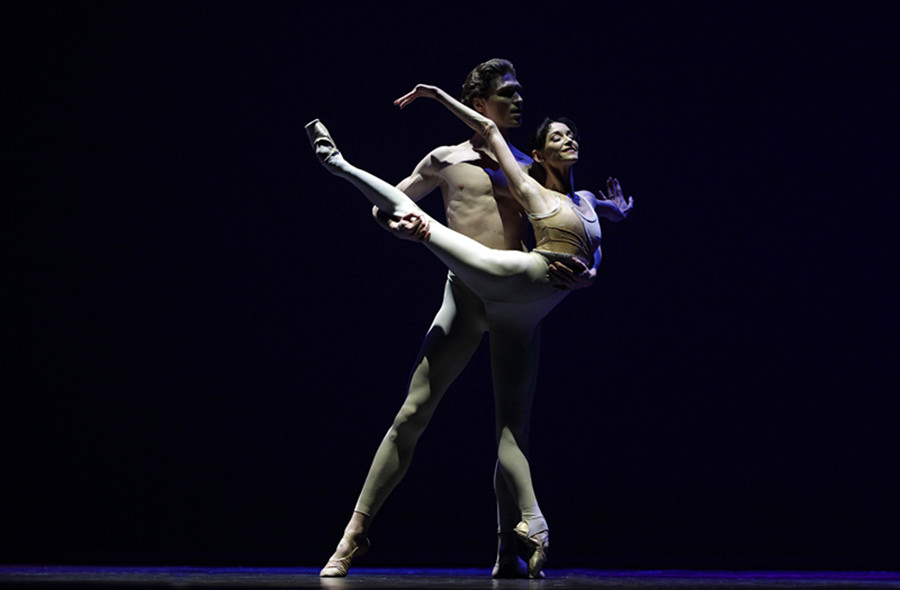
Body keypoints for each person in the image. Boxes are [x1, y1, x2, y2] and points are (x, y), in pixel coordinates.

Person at [311, 61, 632, 579]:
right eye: (508, 93)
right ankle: (353, 535)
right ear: (480, 103)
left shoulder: (526, 163)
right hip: (463, 294)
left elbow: (569, 210)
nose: (519, 101)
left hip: (511, 297)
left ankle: (508, 551)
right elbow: (388, 206)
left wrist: (592, 244)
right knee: (412, 414)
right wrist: (398, 225)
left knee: (513, 427)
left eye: (520, 93)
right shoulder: (444, 158)